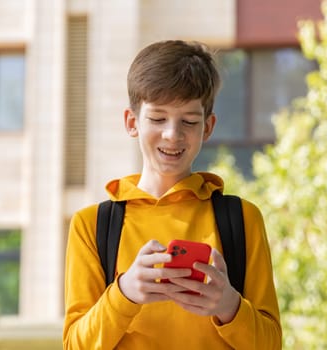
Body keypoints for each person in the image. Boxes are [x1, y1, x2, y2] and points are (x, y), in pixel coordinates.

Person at [63, 40, 282, 349]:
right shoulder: (92, 226)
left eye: (189, 121)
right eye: (157, 118)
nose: (172, 134)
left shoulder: (242, 219)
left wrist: (228, 306)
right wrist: (124, 292)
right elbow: (75, 345)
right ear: (132, 122)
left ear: (208, 128)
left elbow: (271, 344)